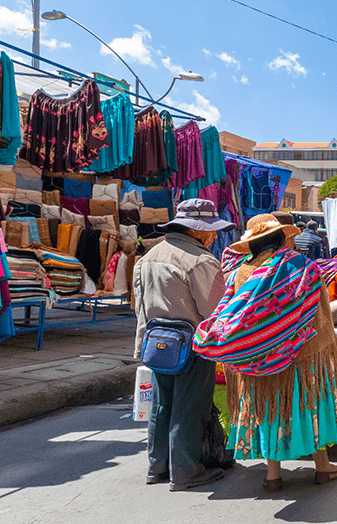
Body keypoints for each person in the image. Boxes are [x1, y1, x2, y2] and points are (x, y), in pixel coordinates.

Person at [195, 213, 337, 492]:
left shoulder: (241, 272)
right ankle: (323, 466)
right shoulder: (301, 266)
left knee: (267, 407)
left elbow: (232, 313)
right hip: (304, 354)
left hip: (257, 357)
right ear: (281, 239)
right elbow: (320, 311)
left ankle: (273, 475)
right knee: (308, 403)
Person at [133, 198, 235, 491]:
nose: (214, 235)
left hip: (156, 343)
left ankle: (157, 467)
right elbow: (215, 310)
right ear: (196, 231)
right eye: (211, 230)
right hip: (191, 344)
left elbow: (138, 305)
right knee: (190, 406)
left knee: (162, 404)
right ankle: (187, 470)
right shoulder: (200, 260)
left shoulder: (149, 256)